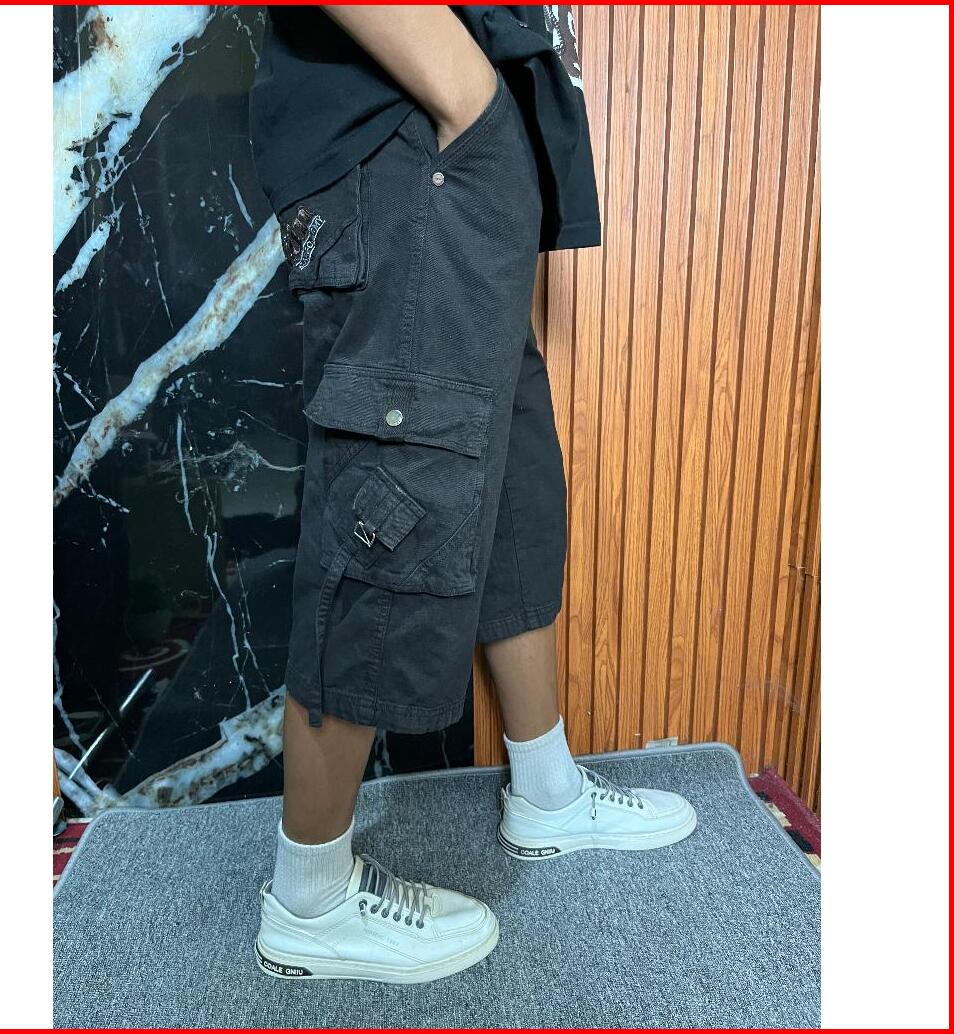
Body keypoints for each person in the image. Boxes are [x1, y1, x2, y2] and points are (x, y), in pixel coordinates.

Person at [247, 5, 697, 984]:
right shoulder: (438, 110)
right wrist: (468, 96)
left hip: (457, 162)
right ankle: (310, 898)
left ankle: (546, 792)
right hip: (406, 142)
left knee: (510, 494)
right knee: (395, 506)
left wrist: (495, 138)